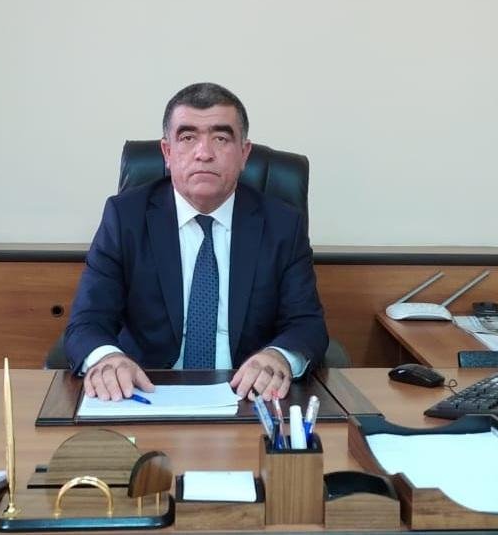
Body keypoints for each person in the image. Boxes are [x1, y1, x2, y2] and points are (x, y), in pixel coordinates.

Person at [65, 82, 328, 402]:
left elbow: (307, 324)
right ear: (167, 153)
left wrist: (279, 356)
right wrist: (107, 359)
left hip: (248, 397)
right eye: (188, 138)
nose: (204, 153)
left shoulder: (282, 224)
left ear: (244, 153)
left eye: (221, 138)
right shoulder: (125, 218)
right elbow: (87, 322)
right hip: (147, 393)